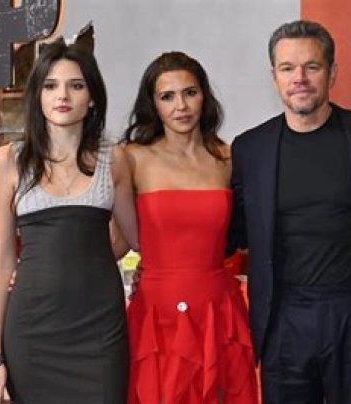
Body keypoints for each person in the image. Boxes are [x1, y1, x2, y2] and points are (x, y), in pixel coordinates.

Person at [230, 20, 351, 404]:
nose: (300, 79)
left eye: (312, 66)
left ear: (332, 72)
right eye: (287, 68)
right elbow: (231, 230)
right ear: (274, 77)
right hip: (283, 316)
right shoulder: (249, 149)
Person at [0, 39, 138, 403]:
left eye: (76, 85)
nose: (62, 95)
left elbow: (135, 238)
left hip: (100, 331)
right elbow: (2, 260)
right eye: (50, 85)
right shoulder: (8, 162)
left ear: (92, 97)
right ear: (37, 95)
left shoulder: (114, 159)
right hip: (32, 334)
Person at [122, 51, 258, 404]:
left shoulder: (228, 158)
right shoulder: (133, 158)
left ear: (204, 97)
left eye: (190, 93)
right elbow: (112, 241)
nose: (180, 106)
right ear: (153, 104)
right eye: (167, 96)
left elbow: (248, 234)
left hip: (217, 311)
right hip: (156, 314)